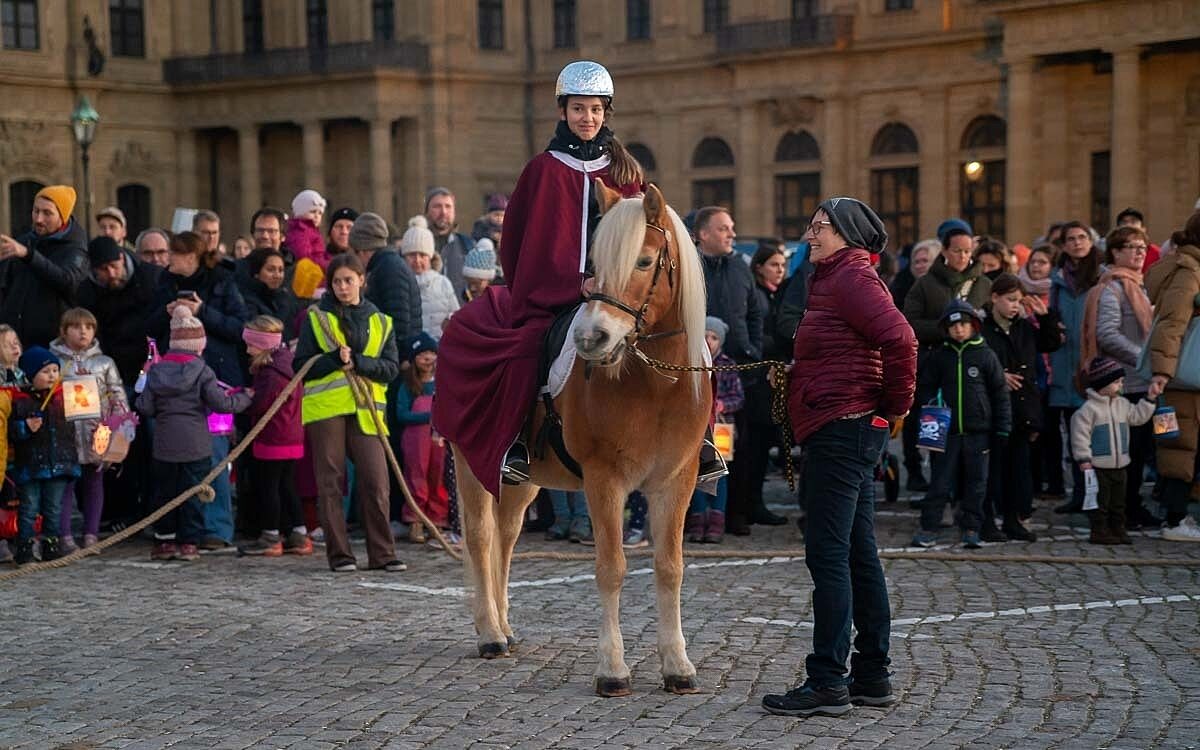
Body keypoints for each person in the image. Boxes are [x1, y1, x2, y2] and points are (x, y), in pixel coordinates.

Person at [432, 60, 646, 495]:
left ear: (607, 113)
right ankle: (516, 445)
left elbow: (644, 238)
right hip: (558, 298)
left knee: (684, 345)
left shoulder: (627, 174)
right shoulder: (543, 170)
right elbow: (521, 245)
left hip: (621, 299)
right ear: (563, 111)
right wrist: (573, 284)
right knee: (527, 351)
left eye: (595, 110)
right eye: (578, 109)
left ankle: (695, 445)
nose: (587, 118)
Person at [762, 197, 916, 718]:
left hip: (843, 427)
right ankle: (872, 674)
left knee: (828, 555)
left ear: (847, 233)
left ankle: (828, 678)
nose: (810, 235)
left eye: (819, 227)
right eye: (809, 226)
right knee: (856, 551)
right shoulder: (831, 278)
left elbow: (900, 337)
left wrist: (894, 407)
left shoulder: (852, 277)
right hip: (841, 422)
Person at [295, 253, 405, 572]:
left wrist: (359, 362)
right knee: (331, 482)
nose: (342, 287)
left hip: (366, 409)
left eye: (348, 280)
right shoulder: (315, 318)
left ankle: (383, 554)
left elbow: (391, 368)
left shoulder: (382, 322)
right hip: (326, 408)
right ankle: (340, 555)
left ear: (361, 280)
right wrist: (332, 358)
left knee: (376, 481)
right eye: (337, 281)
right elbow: (300, 366)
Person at [146, 231, 248, 548]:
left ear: (190, 256)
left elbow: (239, 328)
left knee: (214, 454)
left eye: (173, 254)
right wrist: (166, 314)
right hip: (174, 381)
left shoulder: (223, 281)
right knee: (173, 461)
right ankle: (177, 529)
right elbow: (147, 328)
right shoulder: (163, 283)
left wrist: (203, 312)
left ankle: (215, 529)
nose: (167, 260)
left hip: (216, 377)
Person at [136, 307, 251, 561]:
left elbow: (145, 406)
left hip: (165, 443)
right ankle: (189, 542)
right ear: (199, 345)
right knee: (193, 493)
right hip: (197, 444)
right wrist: (245, 398)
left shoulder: (156, 370)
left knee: (165, 493)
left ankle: (164, 542)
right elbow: (221, 404)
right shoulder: (203, 370)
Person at [910, 299, 1011, 548]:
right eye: (953, 326)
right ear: (946, 329)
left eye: (964, 324)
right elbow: (924, 389)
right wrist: (931, 413)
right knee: (940, 482)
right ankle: (929, 527)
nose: (959, 330)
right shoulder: (938, 357)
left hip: (979, 431)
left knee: (977, 483)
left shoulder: (986, 355)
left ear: (974, 326)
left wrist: (1003, 427)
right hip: (947, 431)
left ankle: (972, 528)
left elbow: (999, 393)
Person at [901, 219, 991, 492]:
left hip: (972, 369)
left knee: (968, 430)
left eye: (967, 251)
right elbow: (910, 323)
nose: (963, 256)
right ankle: (933, 486)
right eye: (957, 251)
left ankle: (963, 492)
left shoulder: (983, 284)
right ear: (945, 251)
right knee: (934, 430)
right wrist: (946, 330)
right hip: (936, 368)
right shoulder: (926, 285)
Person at [1082, 225, 1157, 529]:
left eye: (1142, 247)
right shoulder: (1112, 287)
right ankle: (1123, 509)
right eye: (1132, 247)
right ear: (1116, 251)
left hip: (1143, 380)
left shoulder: (1139, 285)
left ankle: (1131, 506)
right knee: (1128, 453)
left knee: (1140, 450)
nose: (1140, 252)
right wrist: (1143, 358)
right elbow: (1107, 334)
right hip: (1125, 381)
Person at [695, 206, 763, 534]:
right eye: (723, 228)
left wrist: (752, 349)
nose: (731, 234)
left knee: (736, 448)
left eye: (731, 228)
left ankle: (734, 513)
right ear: (703, 234)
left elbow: (754, 312)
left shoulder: (740, 267)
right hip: (694, 371)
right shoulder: (688, 266)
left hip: (736, 370)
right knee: (694, 449)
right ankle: (695, 517)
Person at [979, 274, 1062, 541]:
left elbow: (1051, 343)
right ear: (995, 297)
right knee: (992, 470)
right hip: (993, 409)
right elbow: (974, 359)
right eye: (1010, 300)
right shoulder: (982, 328)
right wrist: (998, 375)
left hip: (1022, 409)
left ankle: (1014, 519)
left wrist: (1045, 316)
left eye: (1018, 301)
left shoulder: (1024, 327)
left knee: (1019, 470)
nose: (1015, 306)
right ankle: (987, 520)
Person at [49, 308, 128, 551]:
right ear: (64, 331)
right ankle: (64, 536)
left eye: (88, 327)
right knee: (64, 485)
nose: (83, 331)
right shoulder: (55, 362)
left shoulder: (104, 363)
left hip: (97, 433)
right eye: (76, 326)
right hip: (65, 433)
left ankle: (91, 533)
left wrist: (118, 425)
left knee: (95, 481)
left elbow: (117, 396)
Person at [1146, 210, 1200, 542]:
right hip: (1184, 376)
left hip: (1182, 376)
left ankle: (1172, 513)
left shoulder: (1185, 265)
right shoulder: (1190, 271)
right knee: (1178, 447)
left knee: (1176, 444)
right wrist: (1162, 372)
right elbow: (1172, 323)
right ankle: (1175, 519)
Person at [237, 315, 311, 557]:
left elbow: (261, 404)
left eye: (251, 344)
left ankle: (271, 534)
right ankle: (298, 533)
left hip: (273, 437)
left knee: (269, 487)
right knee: (288, 485)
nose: (247, 349)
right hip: (291, 435)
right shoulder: (288, 363)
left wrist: (244, 398)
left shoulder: (271, 372)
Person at [1070, 357, 1159, 545]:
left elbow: (1137, 417)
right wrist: (1083, 458)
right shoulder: (1088, 410)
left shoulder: (1122, 404)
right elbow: (1080, 437)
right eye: (1117, 382)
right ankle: (1100, 530)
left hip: (1121, 464)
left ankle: (1118, 528)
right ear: (1103, 384)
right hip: (1098, 466)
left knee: (1119, 501)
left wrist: (1149, 399)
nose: (1121, 385)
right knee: (1101, 502)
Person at [1047, 221, 1103, 514]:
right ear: (1064, 245)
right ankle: (1081, 494)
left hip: (1094, 366)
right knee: (1075, 439)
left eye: (1083, 237)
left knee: (1098, 438)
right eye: (1071, 239)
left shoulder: (1101, 277)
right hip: (1065, 366)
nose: (1077, 243)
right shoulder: (1057, 281)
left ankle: (1100, 496)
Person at [9, 347, 79, 564]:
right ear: (31, 375)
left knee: (53, 508)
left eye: (55, 370)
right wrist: (25, 427)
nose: (52, 376)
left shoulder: (64, 399)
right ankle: (26, 547)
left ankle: (51, 544)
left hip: (59, 462)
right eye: (45, 371)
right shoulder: (19, 400)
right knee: (29, 507)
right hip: (30, 465)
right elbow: (11, 432)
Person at [0, 185, 89, 348]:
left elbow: (68, 282)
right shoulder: (23, 241)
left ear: (62, 217)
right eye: (36, 211)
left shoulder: (75, 249)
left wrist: (29, 256)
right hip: (14, 343)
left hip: (51, 346)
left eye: (47, 213)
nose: (39, 219)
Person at [685, 317, 743, 545]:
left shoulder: (727, 364)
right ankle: (698, 519)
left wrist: (722, 404)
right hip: (696, 428)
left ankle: (717, 520)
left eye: (714, 337)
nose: (709, 341)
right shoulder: (692, 362)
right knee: (697, 473)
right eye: (705, 336)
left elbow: (738, 397)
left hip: (721, 427)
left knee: (719, 474)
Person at [76, 236, 164, 386]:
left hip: (152, 360)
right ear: (94, 270)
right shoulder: (87, 292)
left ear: (122, 259)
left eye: (113, 266)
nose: (111, 273)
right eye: (104, 269)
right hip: (115, 365)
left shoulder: (151, 278)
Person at [395, 332, 448, 543]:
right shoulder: (408, 385)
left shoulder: (443, 382)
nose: (427, 358)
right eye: (422, 354)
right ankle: (415, 519)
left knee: (438, 475)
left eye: (431, 353)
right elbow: (401, 414)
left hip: (438, 438)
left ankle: (438, 518)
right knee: (416, 476)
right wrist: (429, 415)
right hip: (415, 438)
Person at [349, 212, 423, 345]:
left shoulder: (389, 269)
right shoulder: (385, 265)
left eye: (354, 252)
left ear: (362, 250)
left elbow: (399, 324)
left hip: (397, 357)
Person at [402, 217, 459, 340]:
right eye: (412, 255)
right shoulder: (400, 284)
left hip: (442, 348)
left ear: (430, 257)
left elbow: (456, 314)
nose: (417, 260)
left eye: (422, 255)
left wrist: (449, 319)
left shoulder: (443, 283)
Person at [424, 188, 475, 299]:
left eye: (448, 206)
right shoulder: (418, 248)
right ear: (427, 211)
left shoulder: (467, 246)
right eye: (437, 206)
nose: (443, 212)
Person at [242, 247, 301, 340]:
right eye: (270, 270)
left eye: (281, 270)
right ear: (256, 273)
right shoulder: (247, 301)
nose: (277, 275)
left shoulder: (286, 297)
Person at [286, 189, 329, 271]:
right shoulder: (299, 232)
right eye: (313, 211)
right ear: (300, 212)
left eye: (320, 213)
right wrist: (328, 265)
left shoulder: (312, 231)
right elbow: (305, 258)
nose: (317, 216)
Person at [889, 238, 939, 308]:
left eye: (925, 260)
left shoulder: (950, 287)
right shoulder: (902, 290)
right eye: (916, 262)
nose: (919, 266)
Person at [461, 239, 497, 303]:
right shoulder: (466, 299)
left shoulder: (499, 299)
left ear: (489, 280)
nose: (472, 288)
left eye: (477, 283)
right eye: (469, 283)